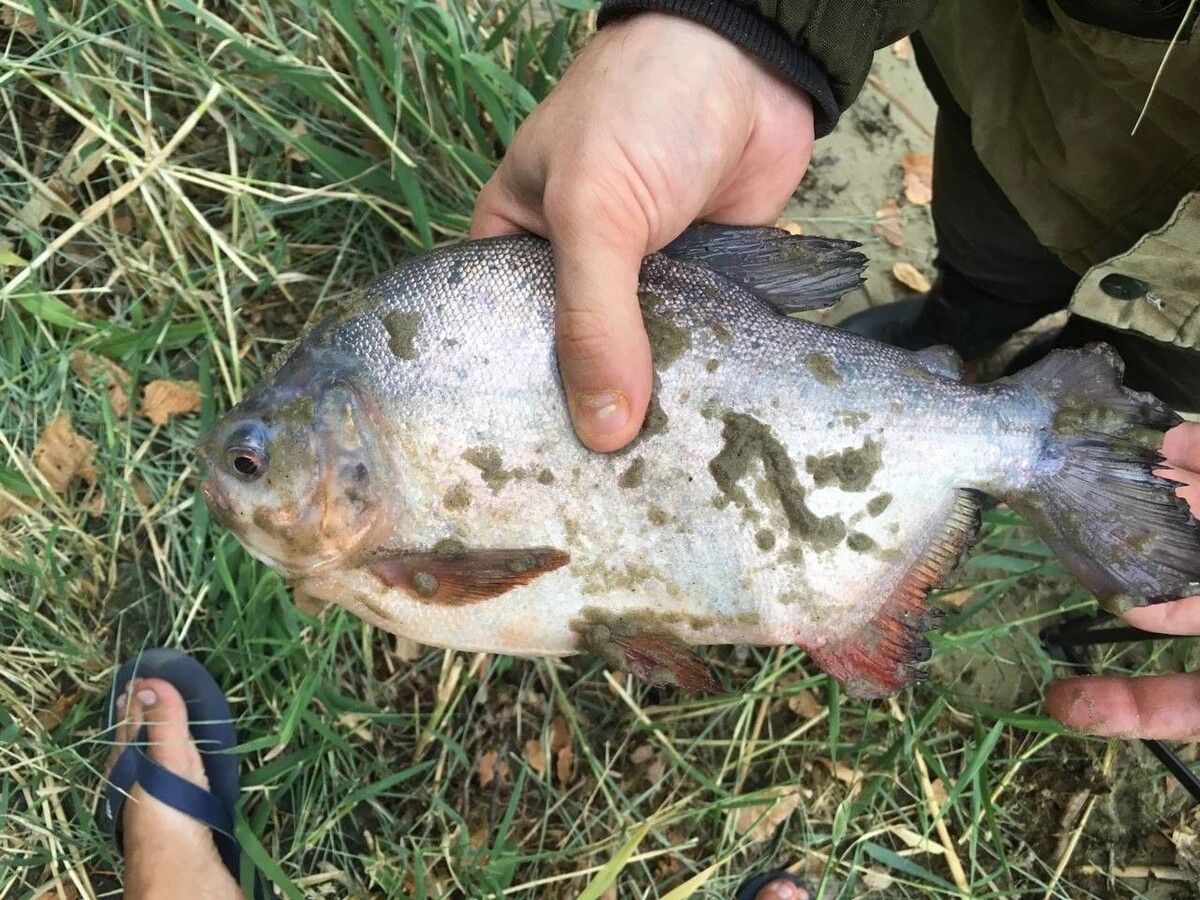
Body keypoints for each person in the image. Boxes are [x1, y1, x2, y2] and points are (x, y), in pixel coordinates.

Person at [469, 5, 1200, 896]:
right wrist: (743, 26)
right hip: (1041, 75)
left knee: (1155, 365)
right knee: (993, 253)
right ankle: (955, 346)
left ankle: (990, 390)